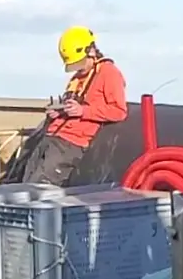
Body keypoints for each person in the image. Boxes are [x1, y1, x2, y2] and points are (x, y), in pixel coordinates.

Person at [20, 25, 127, 185]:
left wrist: (83, 111)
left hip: (71, 144)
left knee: (40, 187)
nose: (77, 68)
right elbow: (72, 106)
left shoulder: (109, 73)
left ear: (91, 51)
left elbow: (119, 111)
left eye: (79, 63)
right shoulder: (78, 77)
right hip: (51, 137)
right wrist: (59, 112)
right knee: (25, 182)